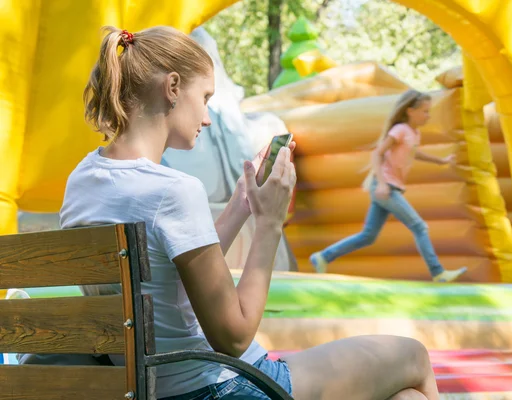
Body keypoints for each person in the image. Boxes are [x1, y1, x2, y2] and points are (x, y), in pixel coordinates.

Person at [59, 26, 440, 400]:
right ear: (172, 87)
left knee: (407, 396)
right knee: (415, 357)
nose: (207, 118)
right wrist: (270, 223)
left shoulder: (81, 182)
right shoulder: (173, 190)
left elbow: (169, 272)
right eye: (205, 97)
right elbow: (234, 338)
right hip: (222, 387)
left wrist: (243, 202)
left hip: (150, 388)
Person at [310, 90, 467, 283]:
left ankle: (323, 256)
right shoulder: (399, 130)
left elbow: (414, 153)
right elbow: (377, 154)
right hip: (386, 187)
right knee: (419, 226)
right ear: (410, 111)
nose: (428, 116)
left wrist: (440, 161)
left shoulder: (413, 133)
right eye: (425, 111)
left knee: (368, 236)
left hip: (390, 187)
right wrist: (382, 184)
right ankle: (438, 272)